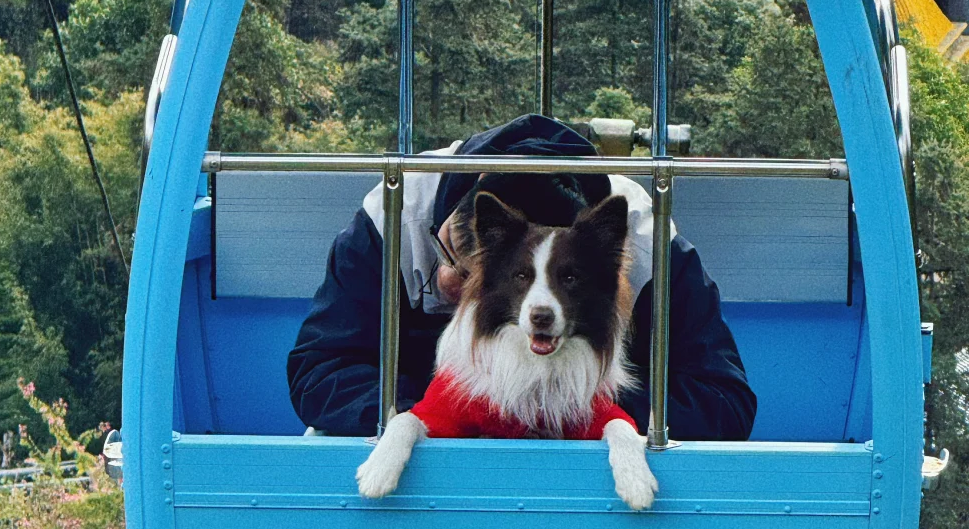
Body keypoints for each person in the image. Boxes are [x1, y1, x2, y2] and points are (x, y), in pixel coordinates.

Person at [287, 114, 756, 439]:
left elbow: (724, 401)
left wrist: (576, 411)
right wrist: (459, 408)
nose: (453, 286)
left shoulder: (646, 239)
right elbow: (318, 373)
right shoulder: (390, 213)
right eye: (452, 257)